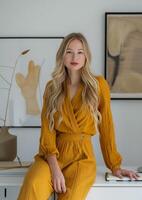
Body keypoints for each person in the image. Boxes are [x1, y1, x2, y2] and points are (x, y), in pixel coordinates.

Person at [18, 32, 139, 200]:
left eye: (80, 52)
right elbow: (47, 131)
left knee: (72, 196)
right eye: (69, 51)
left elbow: (107, 128)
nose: (74, 56)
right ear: (62, 55)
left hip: (81, 158)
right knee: (33, 184)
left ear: (86, 56)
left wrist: (115, 166)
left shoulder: (98, 85)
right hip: (52, 156)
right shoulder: (52, 88)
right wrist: (54, 169)